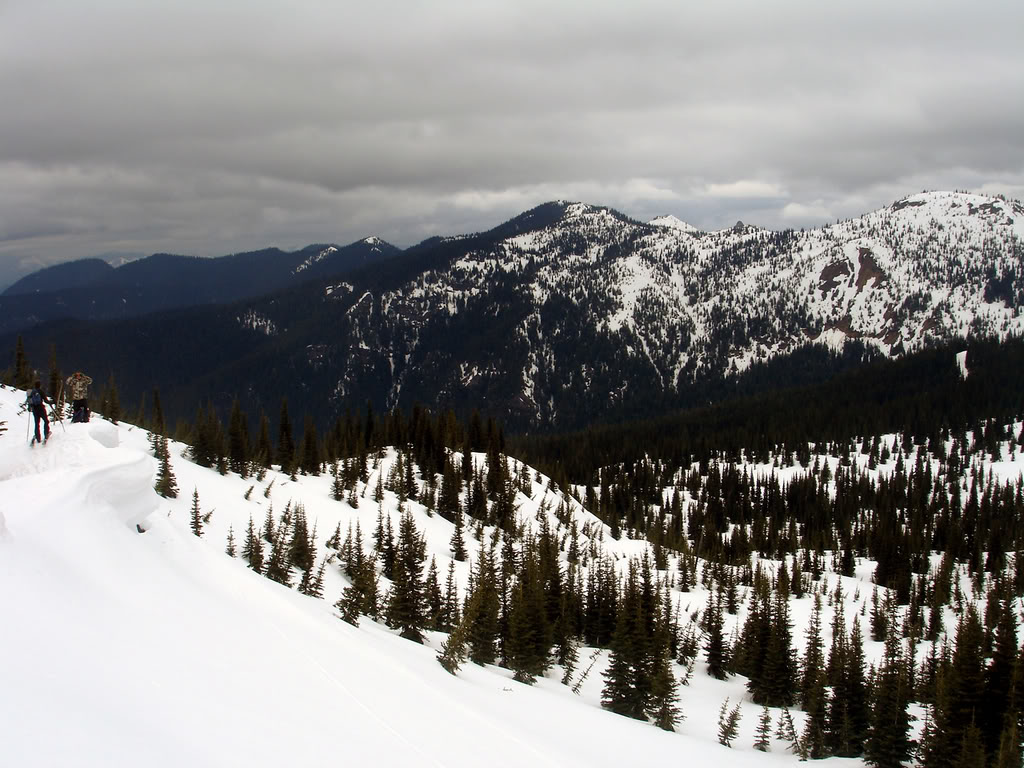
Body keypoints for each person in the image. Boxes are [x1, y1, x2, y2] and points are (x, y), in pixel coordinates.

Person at [26, 379, 50, 444]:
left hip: (34, 409)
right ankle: (46, 433)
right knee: (46, 421)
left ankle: (38, 437)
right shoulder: (40, 391)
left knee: (37, 423)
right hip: (41, 408)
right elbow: (46, 400)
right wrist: (51, 402)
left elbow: (28, 401)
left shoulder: (31, 392)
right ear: (40, 385)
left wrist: (30, 407)